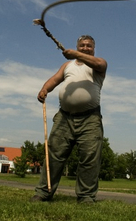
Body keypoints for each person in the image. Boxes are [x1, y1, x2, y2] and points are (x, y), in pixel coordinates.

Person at [30, 35, 107, 204]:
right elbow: (55, 79)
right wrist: (45, 89)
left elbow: (101, 64)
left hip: (90, 118)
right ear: (77, 46)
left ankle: (86, 196)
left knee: (89, 157)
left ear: (93, 49)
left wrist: (76, 55)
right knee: (54, 155)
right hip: (64, 117)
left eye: (89, 46)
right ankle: (44, 192)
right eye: (82, 45)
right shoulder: (67, 65)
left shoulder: (97, 65)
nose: (85, 48)